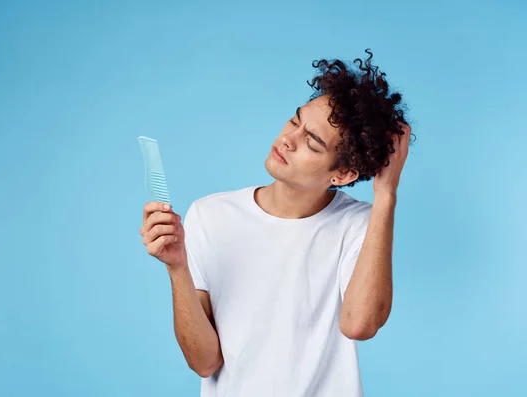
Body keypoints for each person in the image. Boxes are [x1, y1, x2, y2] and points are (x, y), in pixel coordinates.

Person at [139, 49, 413, 397]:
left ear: (342, 174)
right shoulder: (211, 215)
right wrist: (177, 267)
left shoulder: (359, 224)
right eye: (295, 121)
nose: (288, 139)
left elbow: (360, 324)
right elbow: (205, 362)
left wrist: (386, 193)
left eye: (311, 143)